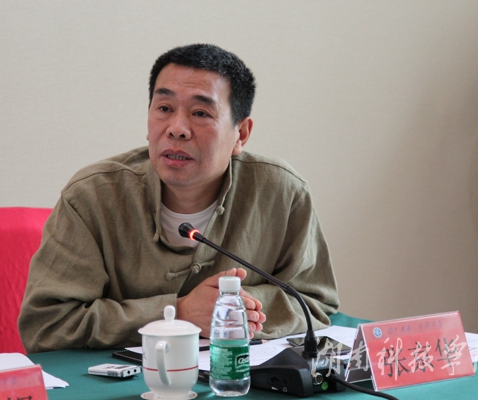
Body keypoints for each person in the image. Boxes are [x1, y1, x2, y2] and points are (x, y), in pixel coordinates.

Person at [18, 43, 339, 353]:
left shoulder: (281, 192)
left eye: (200, 112)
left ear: (240, 134)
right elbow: (47, 324)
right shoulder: (92, 197)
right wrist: (178, 313)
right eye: (164, 109)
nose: (177, 129)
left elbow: (314, 302)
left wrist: (229, 310)